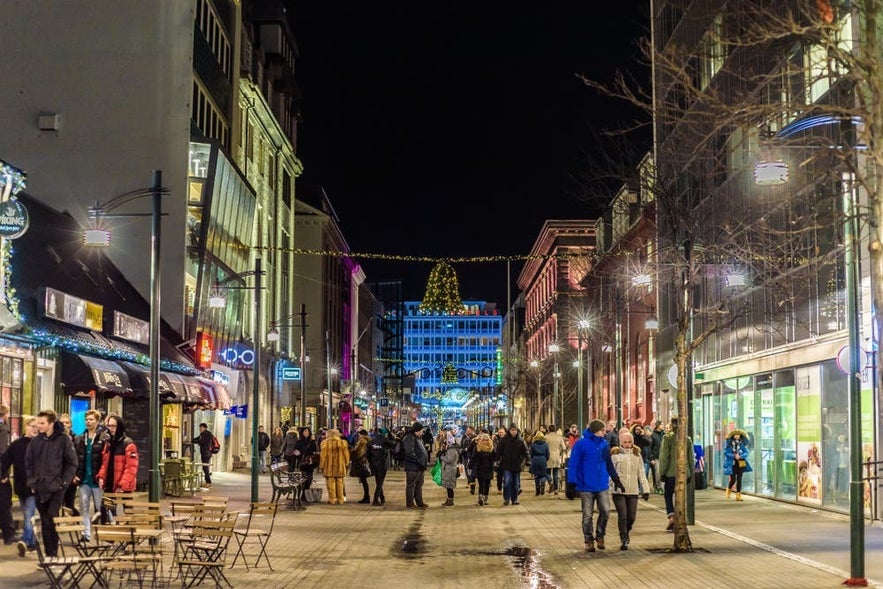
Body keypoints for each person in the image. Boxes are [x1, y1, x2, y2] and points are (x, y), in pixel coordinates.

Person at [25, 409, 78, 558]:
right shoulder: (36, 441)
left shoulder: (63, 440)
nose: (39, 426)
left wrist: (64, 483)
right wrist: (32, 482)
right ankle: (49, 555)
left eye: (42, 423)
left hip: (56, 488)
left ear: (51, 424)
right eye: (38, 423)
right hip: (39, 488)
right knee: (44, 521)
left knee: (50, 520)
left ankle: (52, 554)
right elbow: (28, 462)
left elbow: (72, 463)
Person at [567, 419, 625, 552]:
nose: (605, 432)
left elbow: (608, 463)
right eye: (602, 430)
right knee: (587, 514)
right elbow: (574, 463)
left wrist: (616, 479)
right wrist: (572, 482)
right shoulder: (581, 444)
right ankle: (588, 539)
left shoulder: (604, 444)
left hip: (602, 485)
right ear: (595, 431)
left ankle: (600, 535)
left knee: (605, 511)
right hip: (586, 485)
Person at [1, 415, 38, 555]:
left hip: (35, 488)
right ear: (26, 427)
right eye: (32, 426)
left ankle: (24, 541)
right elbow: (4, 460)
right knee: (28, 515)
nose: (35, 429)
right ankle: (32, 543)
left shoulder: (41, 444)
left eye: (37, 426)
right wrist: (3, 475)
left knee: (28, 515)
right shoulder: (17, 444)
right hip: (21, 487)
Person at [610, 431, 650, 550]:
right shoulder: (615, 455)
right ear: (620, 443)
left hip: (633, 490)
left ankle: (626, 531)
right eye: (625, 442)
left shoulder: (637, 455)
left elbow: (641, 473)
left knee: (631, 516)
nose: (627, 444)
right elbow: (610, 473)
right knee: (623, 515)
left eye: (629, 442)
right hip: (619, 491)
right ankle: (623, 538)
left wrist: (645, 489)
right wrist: (612, 484)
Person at [74, 409, 109, 541]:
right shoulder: (80, 438)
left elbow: (106, 459)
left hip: (98, 479)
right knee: (84, 506)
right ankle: (86, 533)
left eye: (91, 419)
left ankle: (107, 531)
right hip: (84, 479)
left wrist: (103, 476)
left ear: (97, 421)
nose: (88, 422)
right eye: (87, 419)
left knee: (102, 507)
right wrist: (76, 474)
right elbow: (77, 458)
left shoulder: (103, 438)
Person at [97, 414, 139, 522]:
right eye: (109, 426)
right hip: (109, 483)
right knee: (105, 510)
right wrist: (101, 476)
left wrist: (122, 485)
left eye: (113, 426)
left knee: (128, 511)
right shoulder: (108, 443)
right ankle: (109, 535)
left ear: (119, 426)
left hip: (124, 486)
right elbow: (104, 463)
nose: (110, 429)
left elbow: (131, 468)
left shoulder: (128, 444)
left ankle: (130, 536)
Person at [658, 416, 695, 531]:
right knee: (681, 496)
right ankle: (680, 518)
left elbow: (664, 457)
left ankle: (672, 516)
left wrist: (662, 473)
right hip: (684, 473)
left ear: (672, 424)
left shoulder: (667, 438)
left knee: (668, 495)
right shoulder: (687, 439)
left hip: (670, 473)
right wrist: (690, 473)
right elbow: (691, 458)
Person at [496, 424, 528, 506]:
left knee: (515, 483)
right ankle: (507, 498)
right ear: (509, 431)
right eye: (512, 430)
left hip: (517, 465)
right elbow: (498, 451)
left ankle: (515, 499)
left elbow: (526, 452)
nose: (513, 432)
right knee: (507, 482)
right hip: (506, 465)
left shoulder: (520, 440)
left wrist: (528, 460)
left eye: (515, 430)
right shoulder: (504, 440)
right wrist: (496, 460)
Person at [318, 428, 349, 505]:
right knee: (340, 483)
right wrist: (346, 463)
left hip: (329, 467)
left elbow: (323, 456)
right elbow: (346, 455)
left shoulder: (325, 443)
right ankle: (340, 499)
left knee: (330, 483)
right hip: (340, 466)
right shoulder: (343, 443)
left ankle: (332, 499)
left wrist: (321, 466)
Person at [402, 422, 429, 509]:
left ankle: (419, 502)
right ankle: (410, 503)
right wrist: (418, 461)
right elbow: (409, 452)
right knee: (411, 485)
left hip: (419, 466)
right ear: (417, 431)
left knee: (419, 485)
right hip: (413, 467)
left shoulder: (418, 438)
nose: (423, 432)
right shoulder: (410, 438)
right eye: (421, 430)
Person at [0, 403, 16, 545]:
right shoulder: (3, 430)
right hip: (1, 475)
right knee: (5, 504)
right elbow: (3, 453)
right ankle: (9, 534)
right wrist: (3, 473)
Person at [367, 428, 396, 505]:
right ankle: (375, 500)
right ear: (385, 434)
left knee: (378, 481)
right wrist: (390, 434)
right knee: (380, 483)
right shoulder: (385, 441)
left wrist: (371, 463)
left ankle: (382, 498)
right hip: (382, 465)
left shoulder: (371, 441)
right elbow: (394, 443)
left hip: (373, 464)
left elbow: (367, 455)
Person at [58, 412, 79, 516]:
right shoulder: (55, 438)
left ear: (70, 424)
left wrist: (74, 475)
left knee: (69, 502)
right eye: (62, 422)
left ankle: (73, 520)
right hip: (58, 476)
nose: (65, 424)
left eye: (67, 422)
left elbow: (76, 459)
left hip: (70, 476)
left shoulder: (76, 439)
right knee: (59, 502)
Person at [723, 428, 752, 501]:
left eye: (739, 435)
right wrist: (733, 456)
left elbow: (746, 452)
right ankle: (729, 490)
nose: (737, 436)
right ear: (733, 435)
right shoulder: (729, 444)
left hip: (740, 463)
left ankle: (738, 495)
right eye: (736, 435)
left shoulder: (742, 444)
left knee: (739, 479)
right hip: (732, 463)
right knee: (733, 479)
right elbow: (725, 452)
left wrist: (740, 456)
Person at [294, 427, 319, 501]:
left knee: (310, 478)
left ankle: (305, 494)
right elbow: (296, 452)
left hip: (310, 463)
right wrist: (298, 453)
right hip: (304, 463)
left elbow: (314, 449)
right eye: (305, 431)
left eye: (308, 431)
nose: (307, 432)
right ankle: (304, 495)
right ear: (302, 432)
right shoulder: (299, 441)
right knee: (305, 478)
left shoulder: (311, 441)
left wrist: (313, 441)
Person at [472, 430, 495, 506]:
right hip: (480, 468)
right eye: (484, 440)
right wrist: (470, 465)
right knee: (481, 484)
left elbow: (495, 457)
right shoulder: (478, 448)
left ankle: (485, 498)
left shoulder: (491, 448)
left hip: (489, 469)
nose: (485, 441)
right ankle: (480, 498)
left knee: (487, 484)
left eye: (487, 440)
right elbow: (474, 458)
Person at [350, 429, 372, 503]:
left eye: (359, 434)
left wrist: (352, 452)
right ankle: (368, 497)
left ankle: (367, 497)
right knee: (364, 481)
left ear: (362, 434)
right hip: (364, 462)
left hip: (361, 463)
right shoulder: (367, 441)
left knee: (364, 481)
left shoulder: (362, 441)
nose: (358, 436)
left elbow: (359, 452)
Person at [545, 425, 568, 494]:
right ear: (555, 430)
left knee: (547, 472)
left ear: (549, 430)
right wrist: (560, 452)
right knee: (555, 473)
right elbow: (564, 448)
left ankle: (550, 482)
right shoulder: (559, 437)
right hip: (557, 456)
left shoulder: (546, 437)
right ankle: (556, 489)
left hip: (548, 456)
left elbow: (544, 447)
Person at [439, 432, 460, 506]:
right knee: (448, 487)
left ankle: (450, 501)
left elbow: (449, 460)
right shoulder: (450, 450)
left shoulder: (452, 450)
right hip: (448, 470)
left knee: (449, 487)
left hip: (450, 470)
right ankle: (449, 500)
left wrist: (441, 457)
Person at [193, 422, 215, 488]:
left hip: (206, 453)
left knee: (205, 468)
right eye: (200, 427)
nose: (200, 429)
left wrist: (194, 441)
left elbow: (201, 441)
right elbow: (198, 439)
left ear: (204, 428)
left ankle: (208, 482)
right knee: (205, 467)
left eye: (201, 428)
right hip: (207, 453)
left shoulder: (205, 434)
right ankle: (207, 482)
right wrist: (193, 440)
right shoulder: (207, 434)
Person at [529, 430, 550, 496]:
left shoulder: (533, 444)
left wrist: (532, 459)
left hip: (535, 459)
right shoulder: (545, 444)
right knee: (543, 474)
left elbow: (531, 453)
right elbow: (548, 454)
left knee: (536, 475)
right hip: (543, 459)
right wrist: (545, 459)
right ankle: (543, 484)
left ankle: (537, 490)